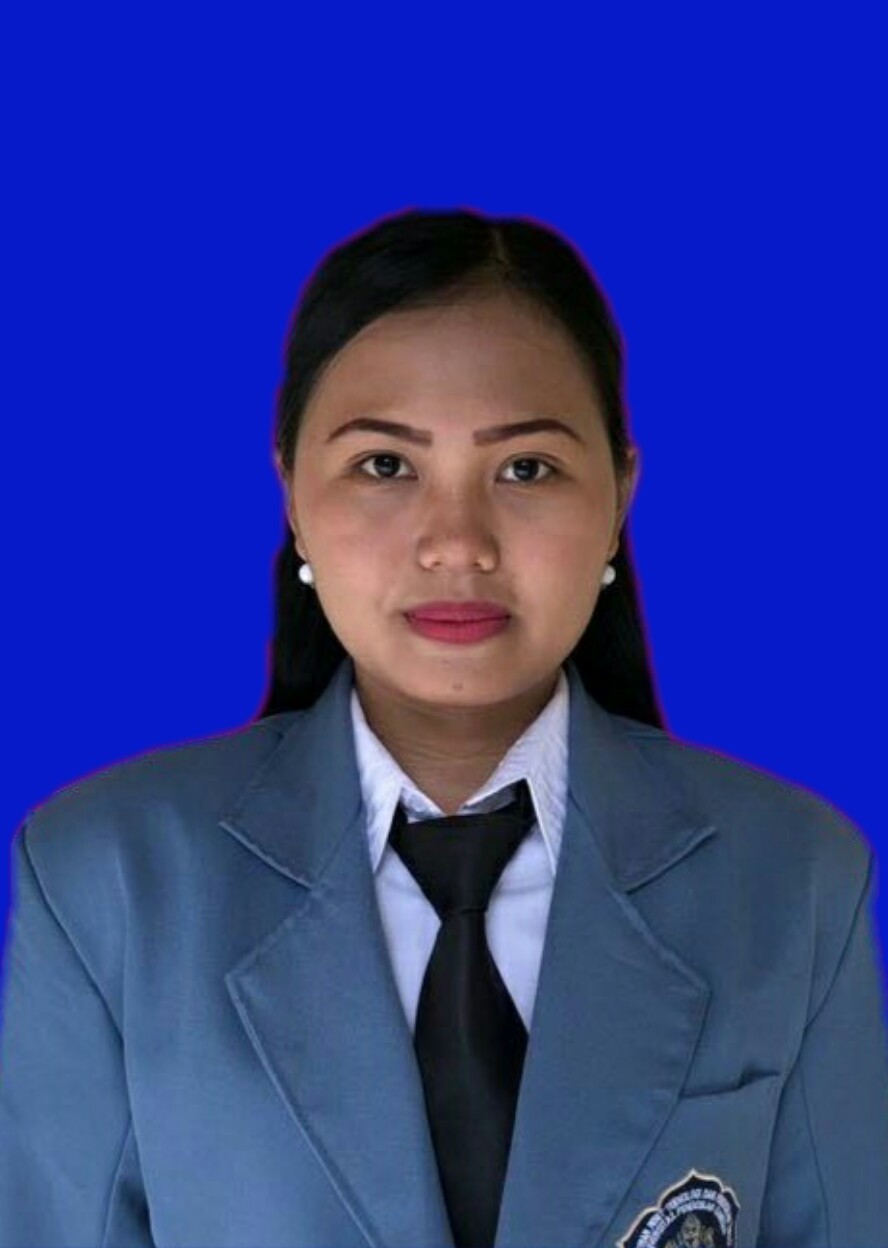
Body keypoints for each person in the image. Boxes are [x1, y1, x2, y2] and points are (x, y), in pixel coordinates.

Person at [1, 208, 887, 1248]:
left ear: (619, 496)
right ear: (292, 494)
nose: (457, 543)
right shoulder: (108, 879)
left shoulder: (793, 878)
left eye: (526, 468)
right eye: (385, 465)